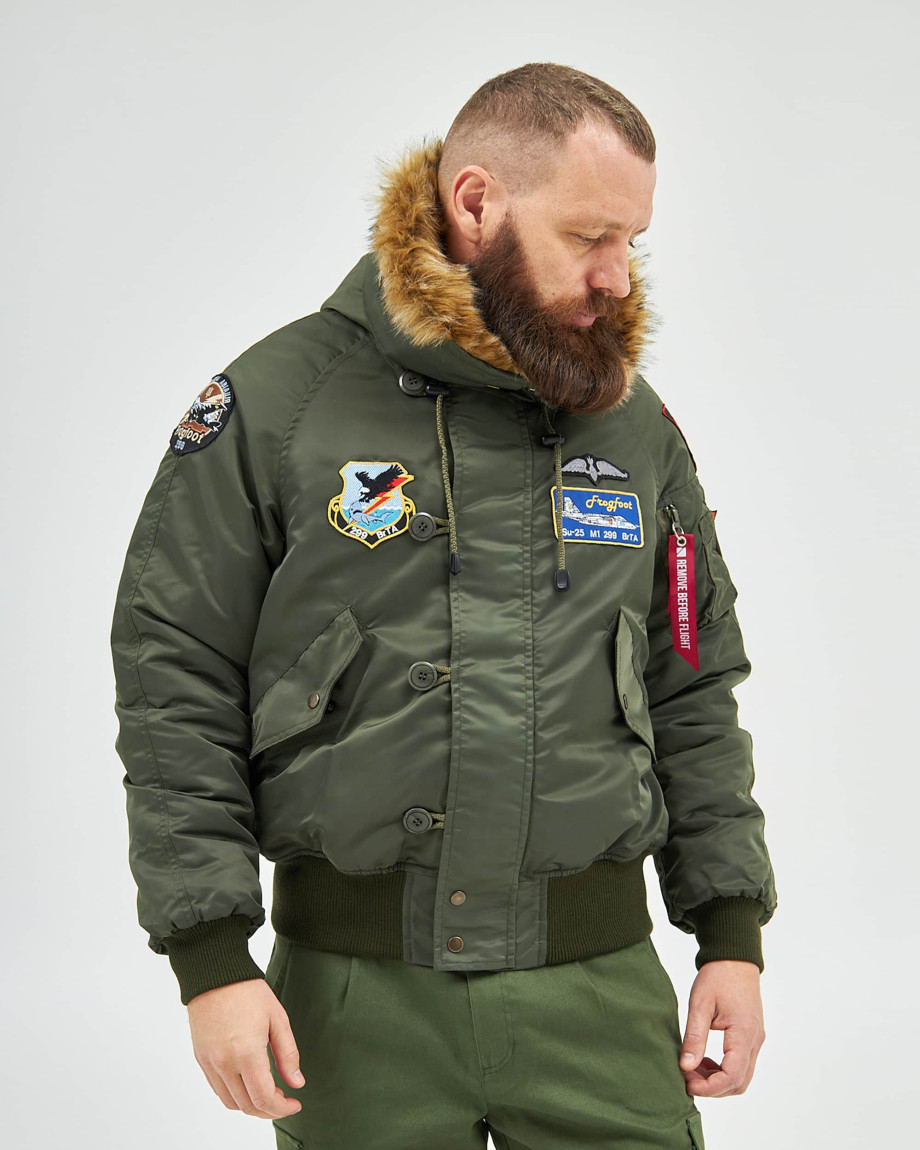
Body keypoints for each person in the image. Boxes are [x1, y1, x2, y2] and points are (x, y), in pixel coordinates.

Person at [111, 62, 777, 1150]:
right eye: (588, 236)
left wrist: (730, 933)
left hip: (600, 999)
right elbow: (171, 676)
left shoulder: (633, 429)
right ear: (476, 203)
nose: (617, 276)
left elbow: (691, 684)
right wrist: (211, 957)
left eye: (632, 241)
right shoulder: (280, 405)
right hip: (352, 1009)